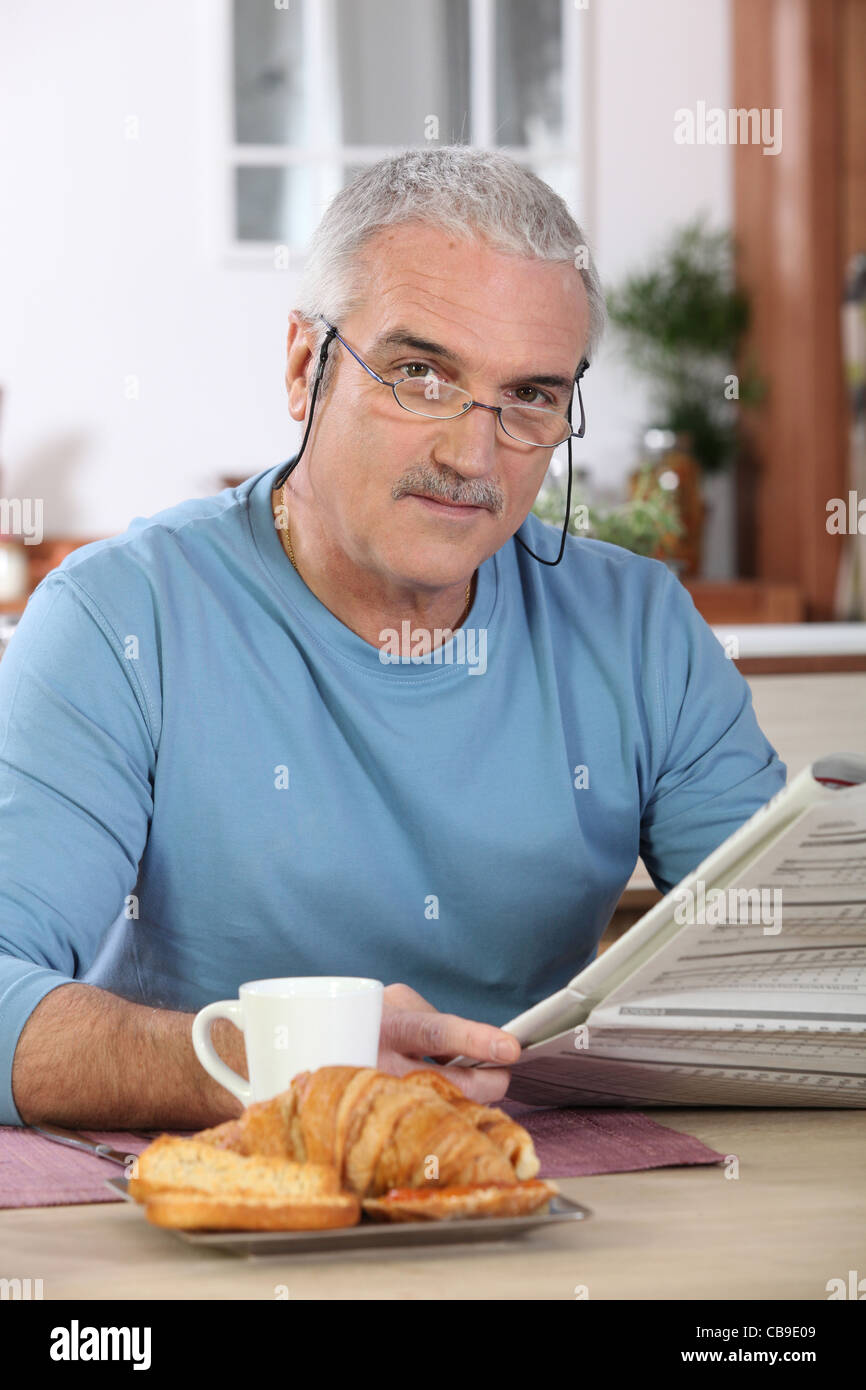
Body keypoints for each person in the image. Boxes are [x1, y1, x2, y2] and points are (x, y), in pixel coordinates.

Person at [0, 147, 785, 1129]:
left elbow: (786, 968)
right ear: (303, 366)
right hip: (216, 1213)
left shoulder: (639, 628)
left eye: (530, 397)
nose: (470, 453)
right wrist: (283, 1061)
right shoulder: (115, 620)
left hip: (544, 1204)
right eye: (419, 374)